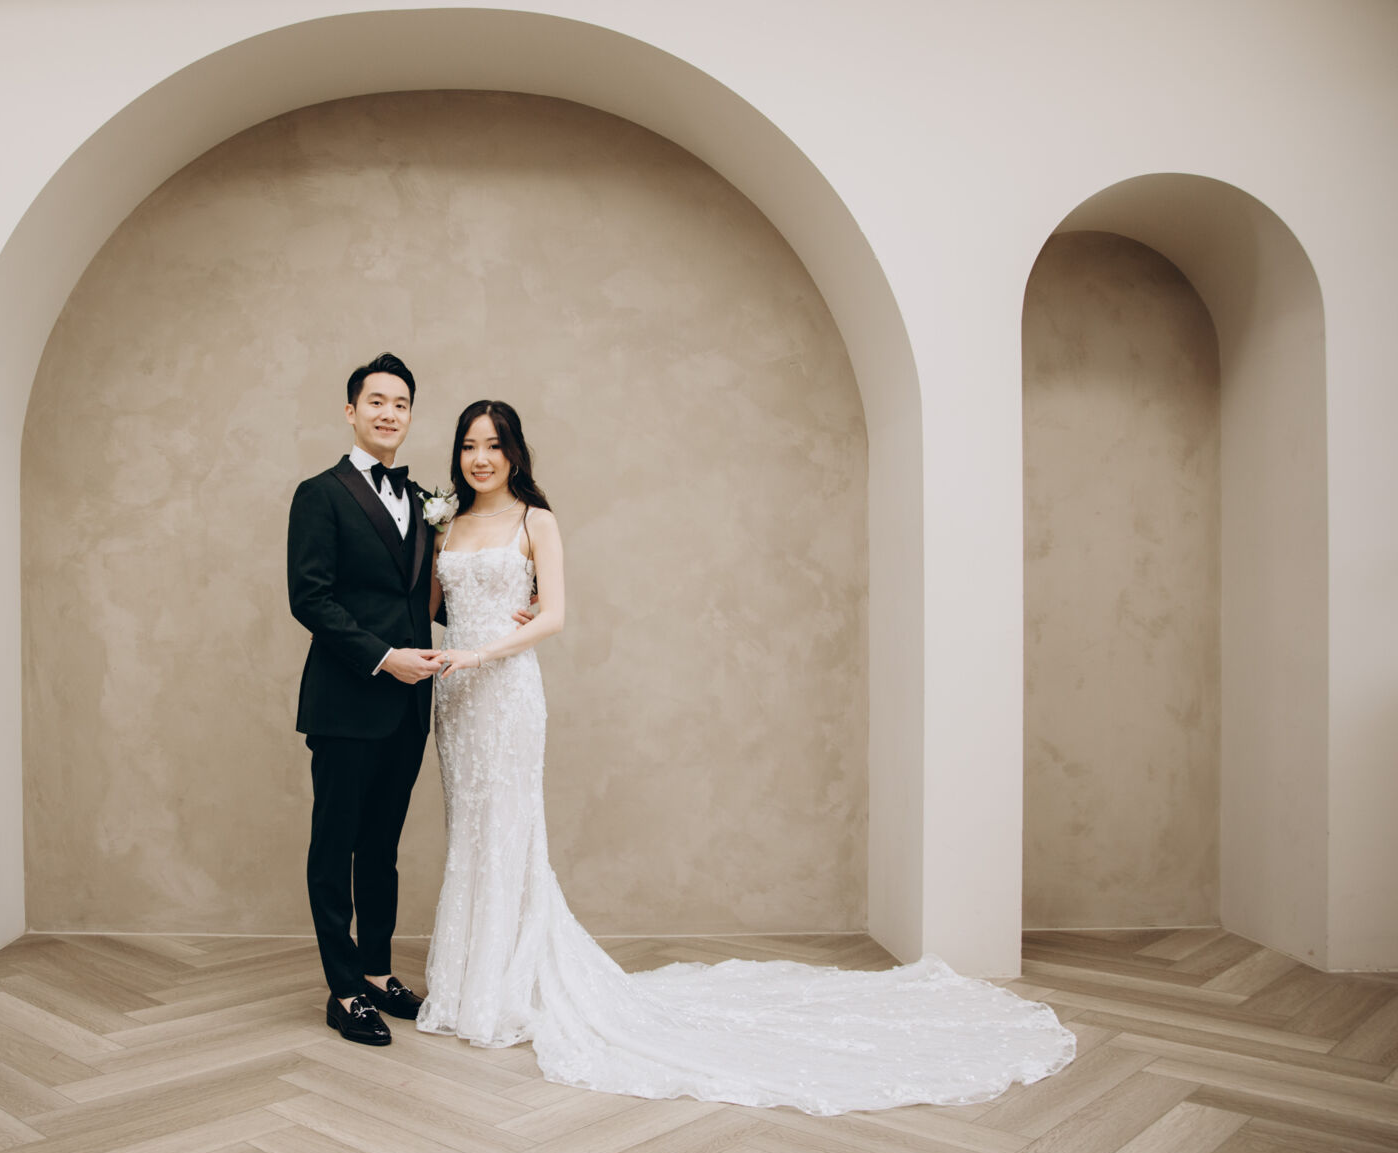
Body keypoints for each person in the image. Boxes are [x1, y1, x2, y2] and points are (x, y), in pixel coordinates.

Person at [419, 400, 1076, 1113]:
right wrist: (439, 640)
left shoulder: (535, 521)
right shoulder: (445, 524)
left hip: (506, 693)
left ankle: (507, 985)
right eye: (469, 445)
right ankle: (468, 983)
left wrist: (484, 649)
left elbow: (554, 614)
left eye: (493, 445)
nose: (480, 458)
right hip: (455, 698)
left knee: (510, 828)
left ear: (514, 452)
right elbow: (427, 606)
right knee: (470, 828)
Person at [285, 353, 443, 1046]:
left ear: (410, 416)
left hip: (410, 707)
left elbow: (427, 598)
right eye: (376, 401)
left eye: (400, 404)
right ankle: (344, 990)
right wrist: (384, 658)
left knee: (382, 848)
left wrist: (510, 607)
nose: (389, 413)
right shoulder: (319, 494)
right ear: (351, 411)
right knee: (335, 848)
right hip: (347, 701)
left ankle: (378, 973)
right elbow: (310, 597)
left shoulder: (425, 502)